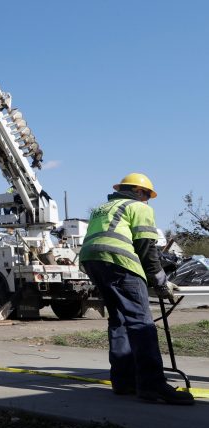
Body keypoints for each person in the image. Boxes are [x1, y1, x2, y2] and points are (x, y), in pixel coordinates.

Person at [80, 173, 193, 405]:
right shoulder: (138, 207)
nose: (148, 202)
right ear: (139, 192)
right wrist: (160, 282)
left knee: (119, 319)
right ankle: (152, 385)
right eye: (147, 196)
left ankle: (123, 381)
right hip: (119, 261)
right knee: (141, 322)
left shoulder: (103, 207)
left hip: (92, 261)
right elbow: (147, 249)